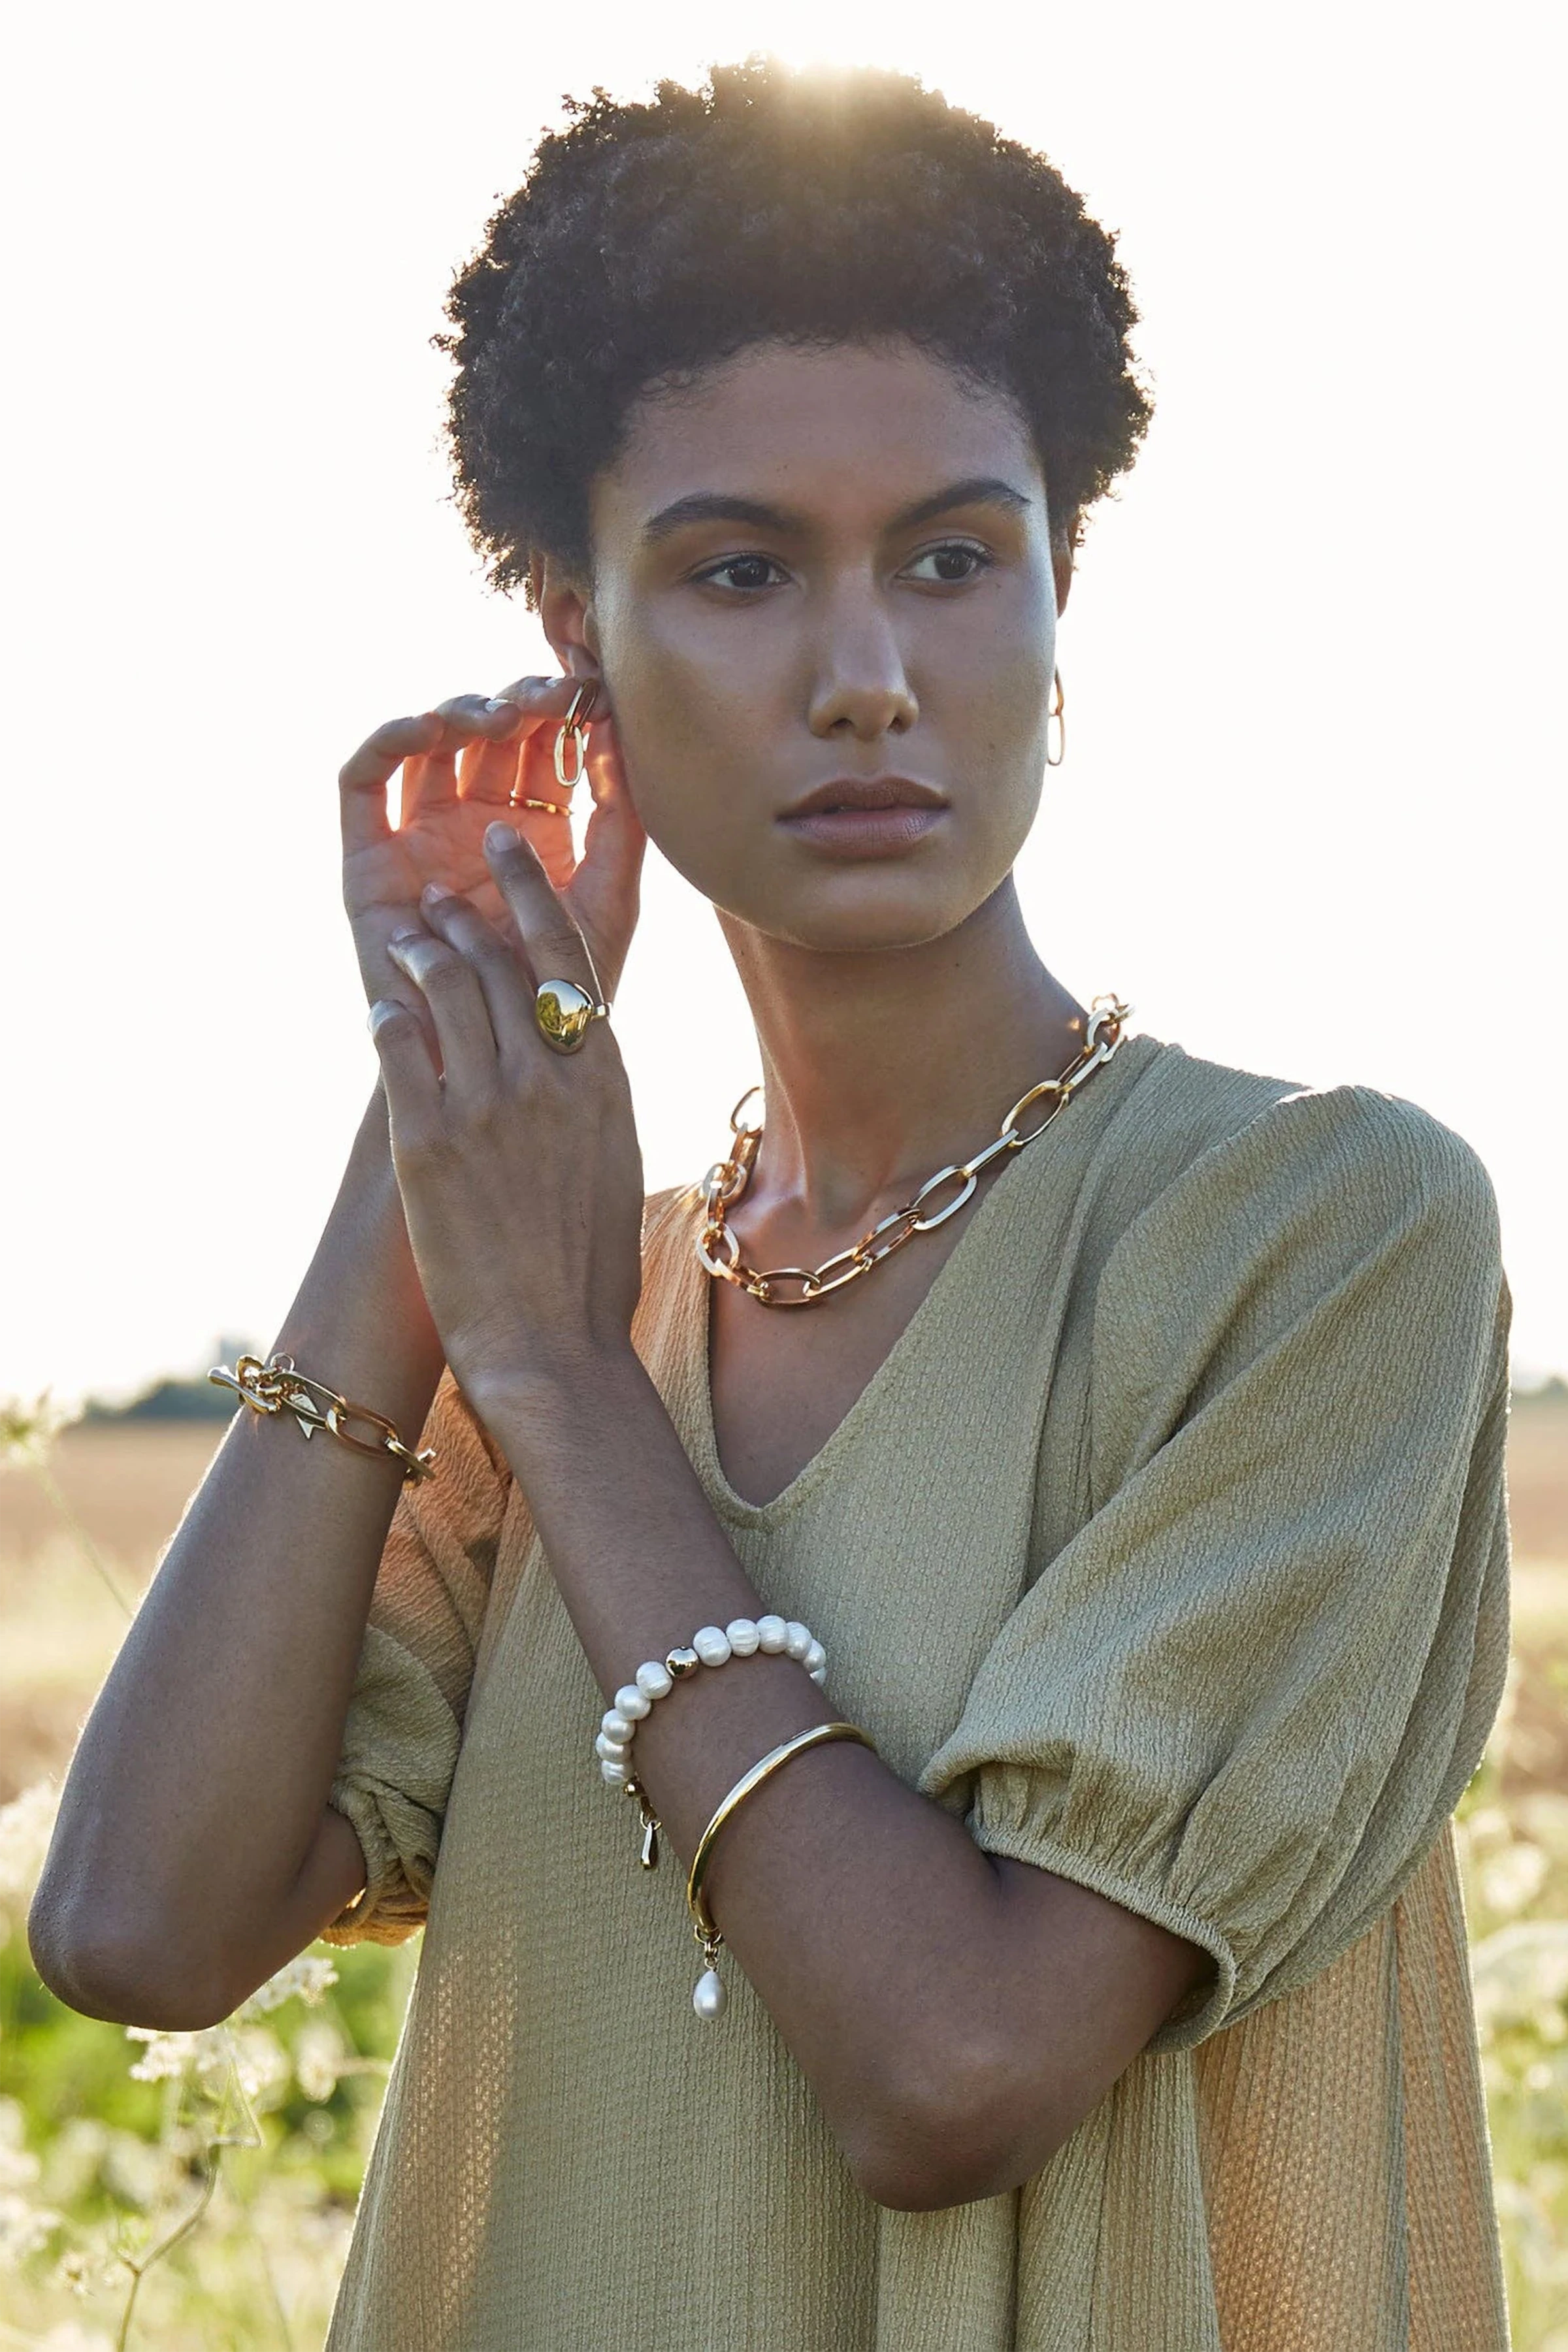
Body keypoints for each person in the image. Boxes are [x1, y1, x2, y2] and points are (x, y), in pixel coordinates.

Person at [31, 57, 1514, 2351]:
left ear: (1056, 594)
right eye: (738, 571)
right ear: (576, 642)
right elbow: (140, 1926)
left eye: (954, 556)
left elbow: (959, 2068)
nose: (867, 679)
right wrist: (430, 1127)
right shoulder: (569, 1296)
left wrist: (549, 1384)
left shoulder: (1318, 1235)